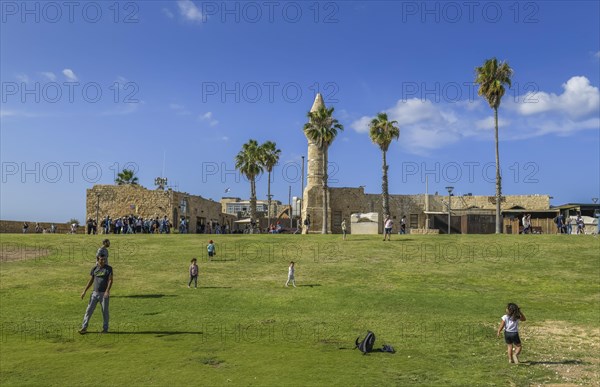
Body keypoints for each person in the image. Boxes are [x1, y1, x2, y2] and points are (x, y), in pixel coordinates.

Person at [78, 255, 113, 334]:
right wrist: (84, 291)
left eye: (104, 259)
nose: (103, 261)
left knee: (105, 312)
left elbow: (110, 280)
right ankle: (84, 327)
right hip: (94, 293)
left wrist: (107, 291)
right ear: (98, 259)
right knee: (89, 310)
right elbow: (91, 281)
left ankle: (105, 329)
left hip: (104, 294)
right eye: (101, 259)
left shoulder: (109, 269)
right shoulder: (94, 269)